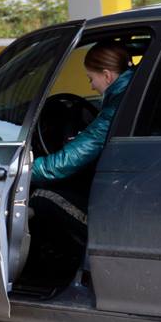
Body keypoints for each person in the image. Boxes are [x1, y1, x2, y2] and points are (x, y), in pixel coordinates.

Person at [26, 41, 135, 281]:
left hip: (117, 211)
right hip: (128, 193)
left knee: (42, 197)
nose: (92, 86)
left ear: (107, 76)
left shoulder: (120, 103)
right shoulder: (131, 92)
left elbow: (65, 163)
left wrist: (22, 171)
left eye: (91, 79)